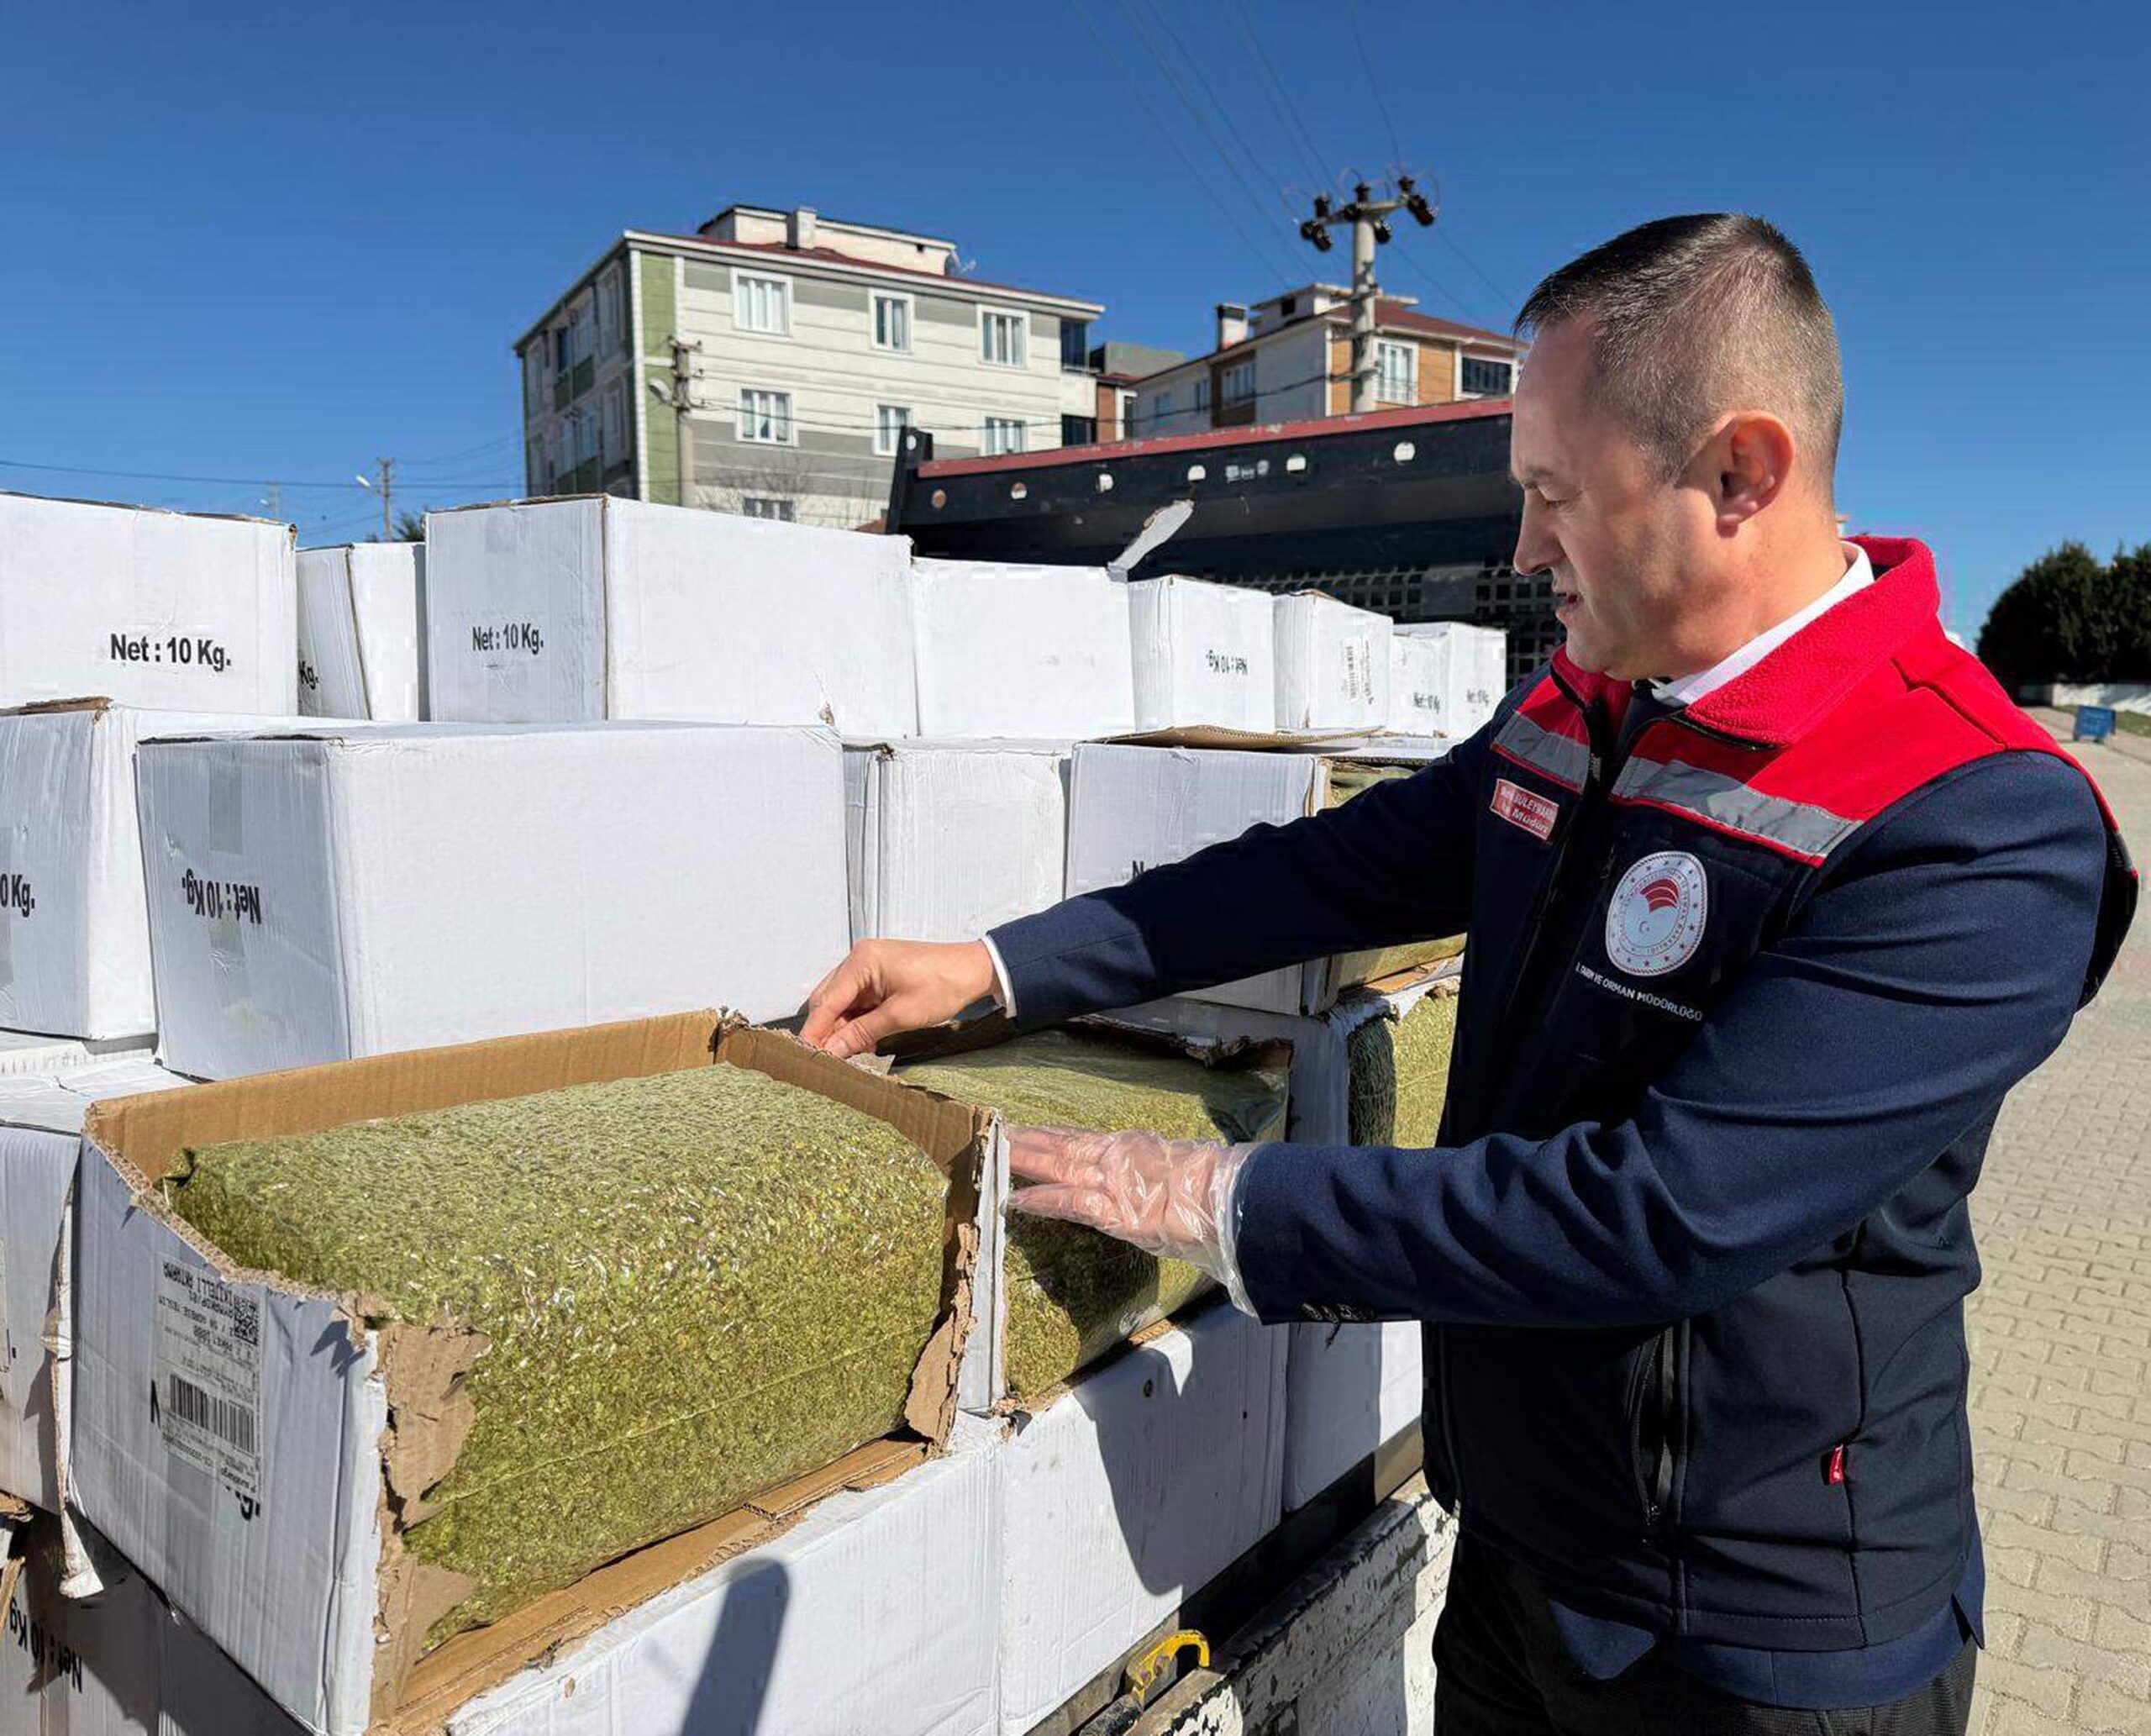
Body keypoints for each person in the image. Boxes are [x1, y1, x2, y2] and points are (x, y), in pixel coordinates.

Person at [801, 214, 2136, 1733]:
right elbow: (1322, 874)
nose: (1521, 551)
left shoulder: (1975, 821)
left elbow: (1658, 1210)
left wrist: (1212, 1198)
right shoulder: (1584, 707)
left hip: (1758, 1641)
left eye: (1553, 494)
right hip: (1518, 1554)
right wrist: (994, 966)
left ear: (1739, 473)